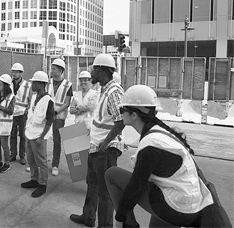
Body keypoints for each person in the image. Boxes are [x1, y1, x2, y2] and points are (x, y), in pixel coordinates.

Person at [105, 85, 214, 228]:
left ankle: (129, 224)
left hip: (176, 207)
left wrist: (119, 219)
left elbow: (135, 188)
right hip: (187, 203)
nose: (120, 114)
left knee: (111, 174)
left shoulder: (151, 144)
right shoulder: (159, 132)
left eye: (122, 110)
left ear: (134, 115)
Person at [70, 54, 125, 228]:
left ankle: (105, 225)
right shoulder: (104, 90)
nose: (91, 72)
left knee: (105, 192)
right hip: (96, 147)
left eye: (94, 69)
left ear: (102, 71)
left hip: (105, 150)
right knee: (92, 185)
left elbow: (121, 121)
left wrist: (104, 144)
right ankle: (88, 217)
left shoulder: (114, 91)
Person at [20, 71, 54, 198]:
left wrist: (41, 137)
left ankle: (42, 184)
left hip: (39, 136)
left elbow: (50, 121)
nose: (32, 84)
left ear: (41, 84)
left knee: (41, 161)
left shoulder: (48, 100)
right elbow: (31, 115)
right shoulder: (34, 97)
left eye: (34, 82)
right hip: (30, 134)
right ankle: (34, 179)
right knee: (31, 159)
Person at [47, 58, 73, 176]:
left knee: (56, 141)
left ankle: (55, 165)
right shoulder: (47, 82)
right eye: (51, 68)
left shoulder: (68, 85)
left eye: (54, 69)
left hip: (59, 116)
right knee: (41, 137)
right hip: (46, 114)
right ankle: (39, 162)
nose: (51, 71)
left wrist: (56, 111)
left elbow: (67, 103)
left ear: (61, 70)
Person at [10, 63, 32, 165]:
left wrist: (27, 110)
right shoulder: (9, 83)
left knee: (23, 135)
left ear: (21, 73)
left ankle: (22, 156)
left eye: (16, 72)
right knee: (12, 134)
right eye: (13, 71)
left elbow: (31, 100)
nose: (13, 73)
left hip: (23, 113)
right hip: (12, 112)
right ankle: (13, 154)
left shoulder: (28, 85)